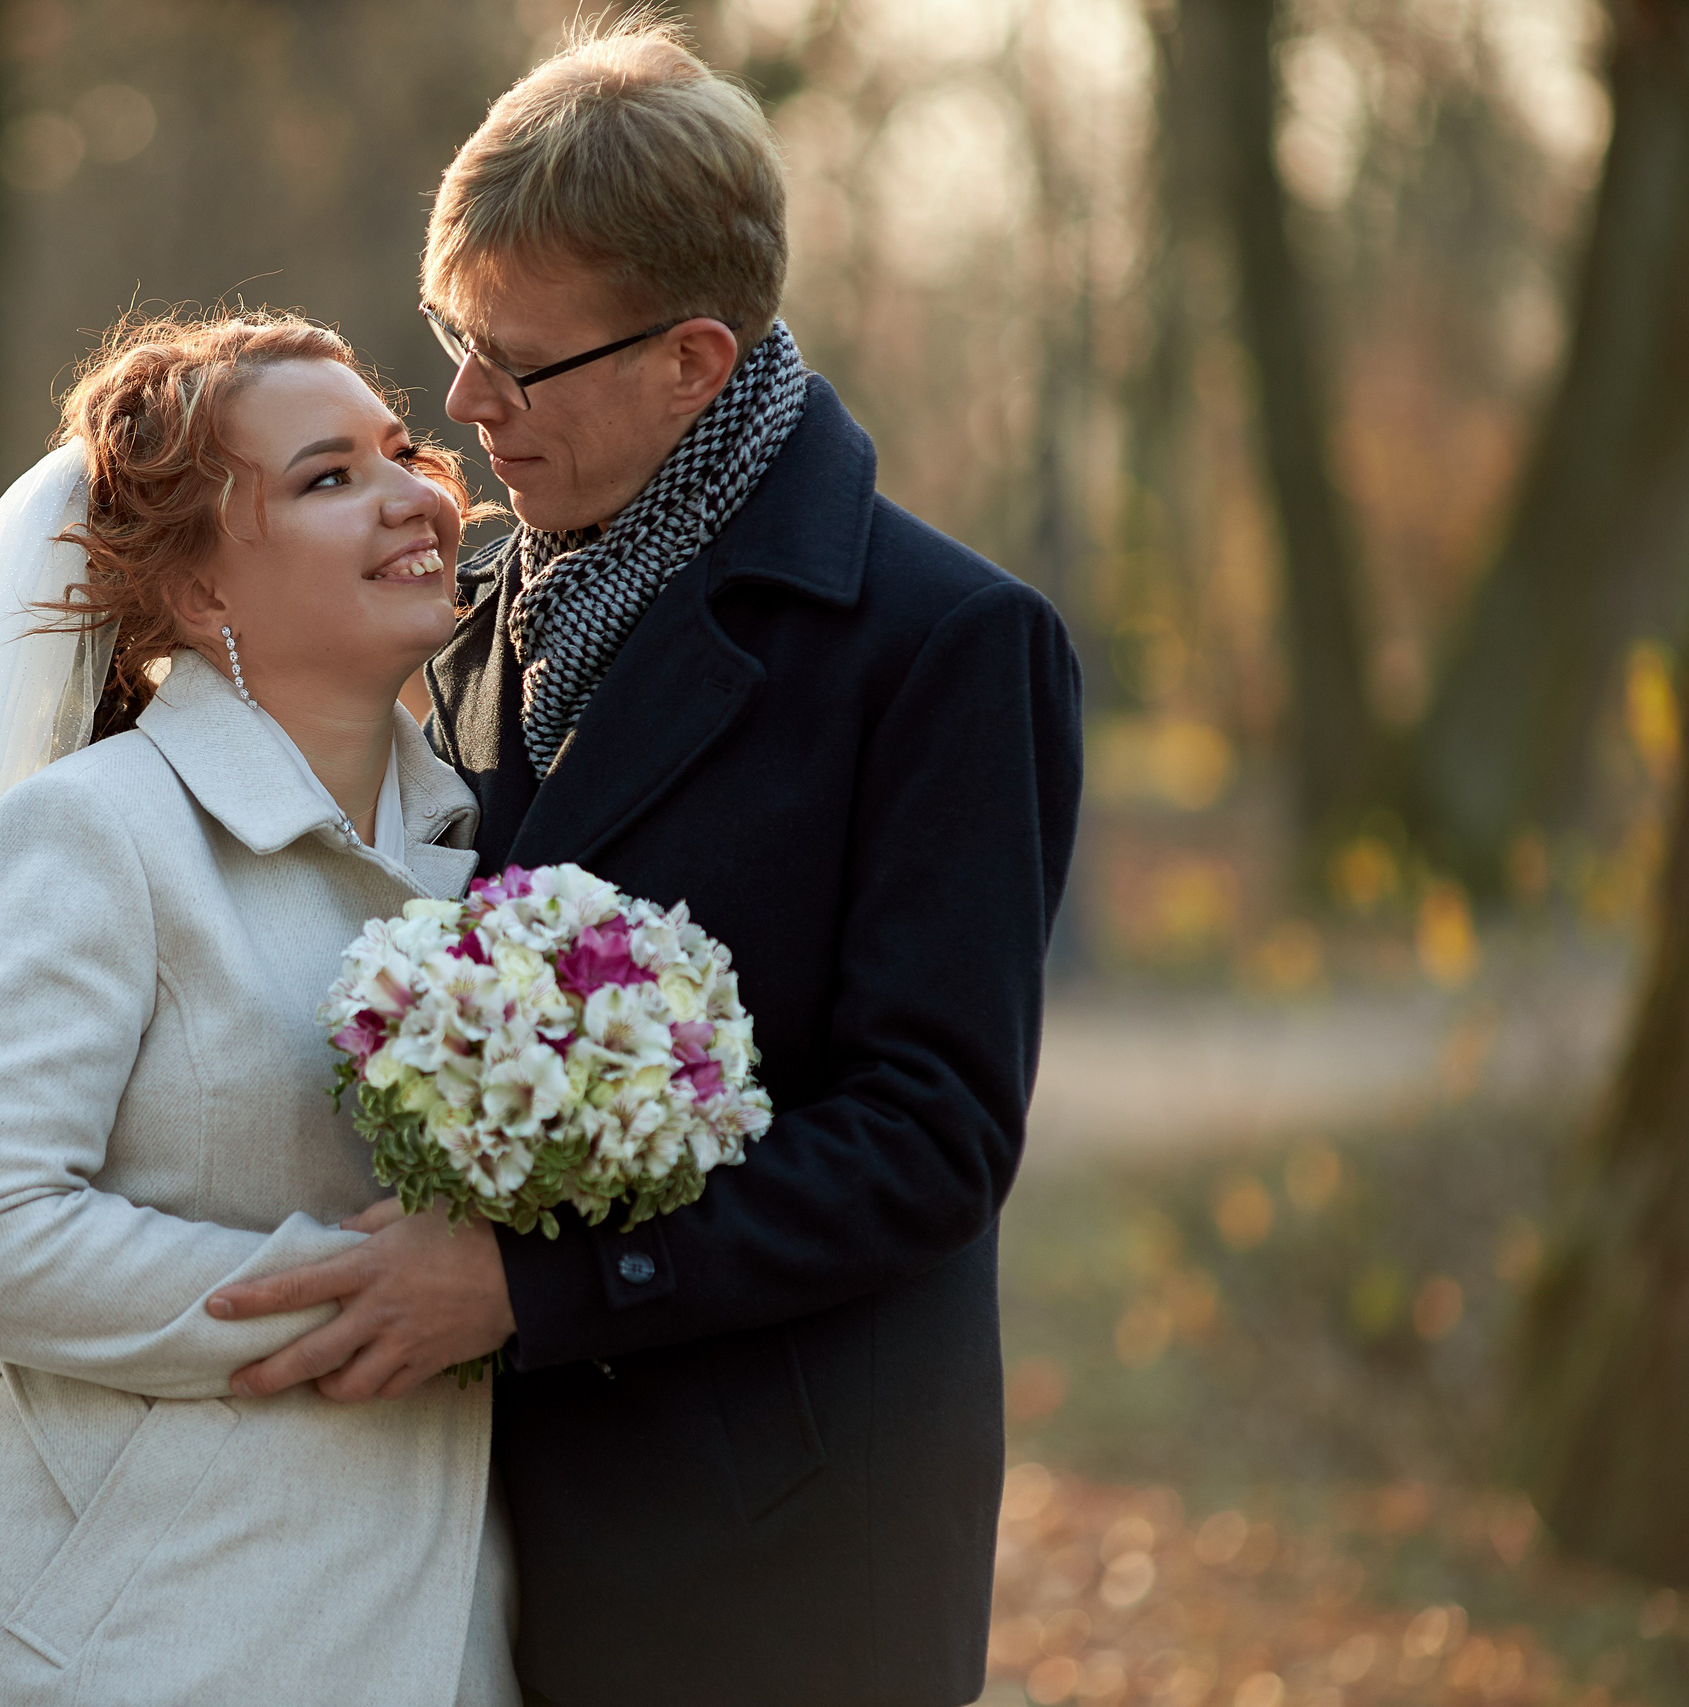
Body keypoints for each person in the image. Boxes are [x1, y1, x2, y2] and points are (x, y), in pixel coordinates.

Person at [204, 21, 1086, 1707]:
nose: (457, 409)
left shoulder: (947, 646)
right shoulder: (463, 604)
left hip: (773, 1558)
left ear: (693, 360)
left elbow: (932, 1138)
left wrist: (535, 1290)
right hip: (457, 1531)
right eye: (452, 339)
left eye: (513, 364)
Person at [0, 311, 518, 1706]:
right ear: (194, 593)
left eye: (400, 450)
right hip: (154, 1637)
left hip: (444, 1635)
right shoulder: (99, 835)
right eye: (327, 477)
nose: (417, 496)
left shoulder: (493, 852)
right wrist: (358, 1302)